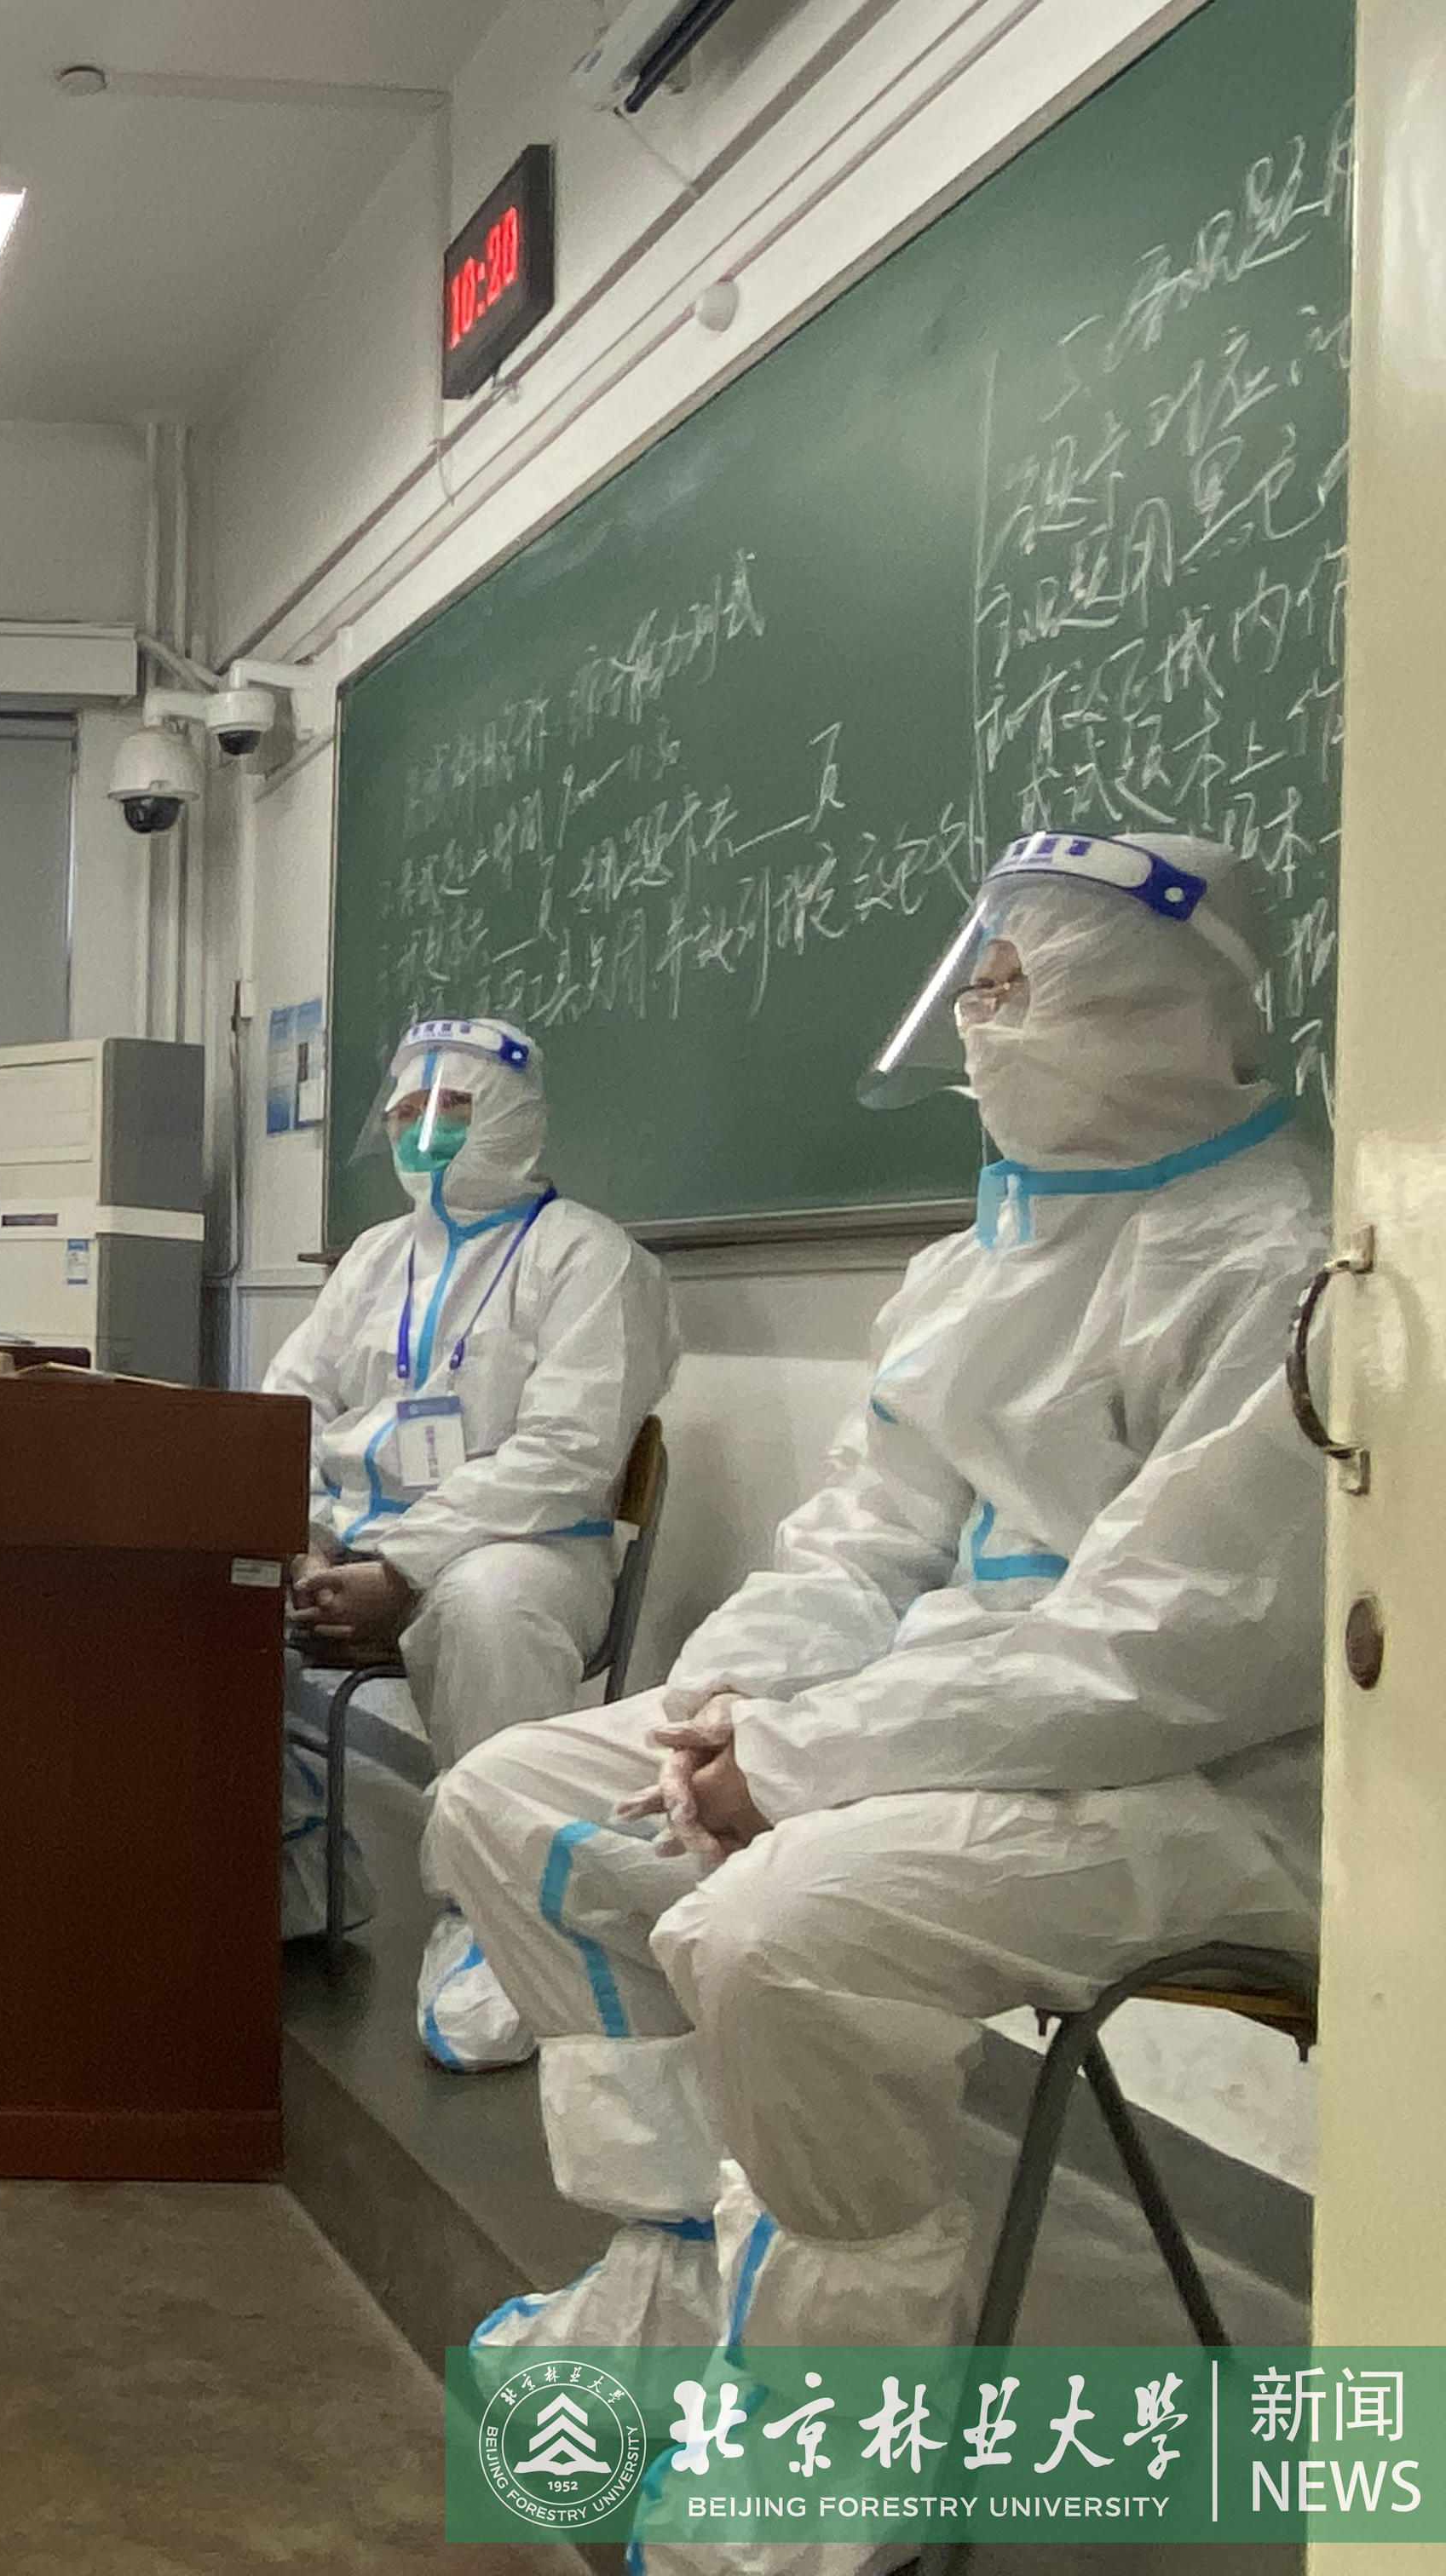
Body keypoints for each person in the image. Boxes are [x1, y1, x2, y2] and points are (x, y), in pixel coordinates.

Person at [431, 833, 1325, 2571]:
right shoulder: (978, 1261)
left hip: (1203, 1789)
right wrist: (731, 1705)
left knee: (777, 1930)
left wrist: (801, 1758)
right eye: (973, 981)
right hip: (941, 1731)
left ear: (1160, 1005)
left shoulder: (1281, 1265)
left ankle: (838, 2445)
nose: (980, 1019)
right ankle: (670, 2276)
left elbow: (1166, 1653)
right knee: (514, 1797)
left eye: (1020, 982)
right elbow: (860, 1544)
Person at [262, 1016, 678, 2069]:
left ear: (514, 1117)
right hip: (346, 1548)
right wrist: (302, 1539)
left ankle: (496, 1912)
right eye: (408, 1111)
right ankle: (296, 1869)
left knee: (492, 1605)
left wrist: (405, 1568)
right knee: (204, 1585)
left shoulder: (589, 1257)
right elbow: (288, 1408)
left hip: (526, 1545)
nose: (426, 1133)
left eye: (454, 1108)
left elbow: (566, 1456)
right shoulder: (374, 1259)